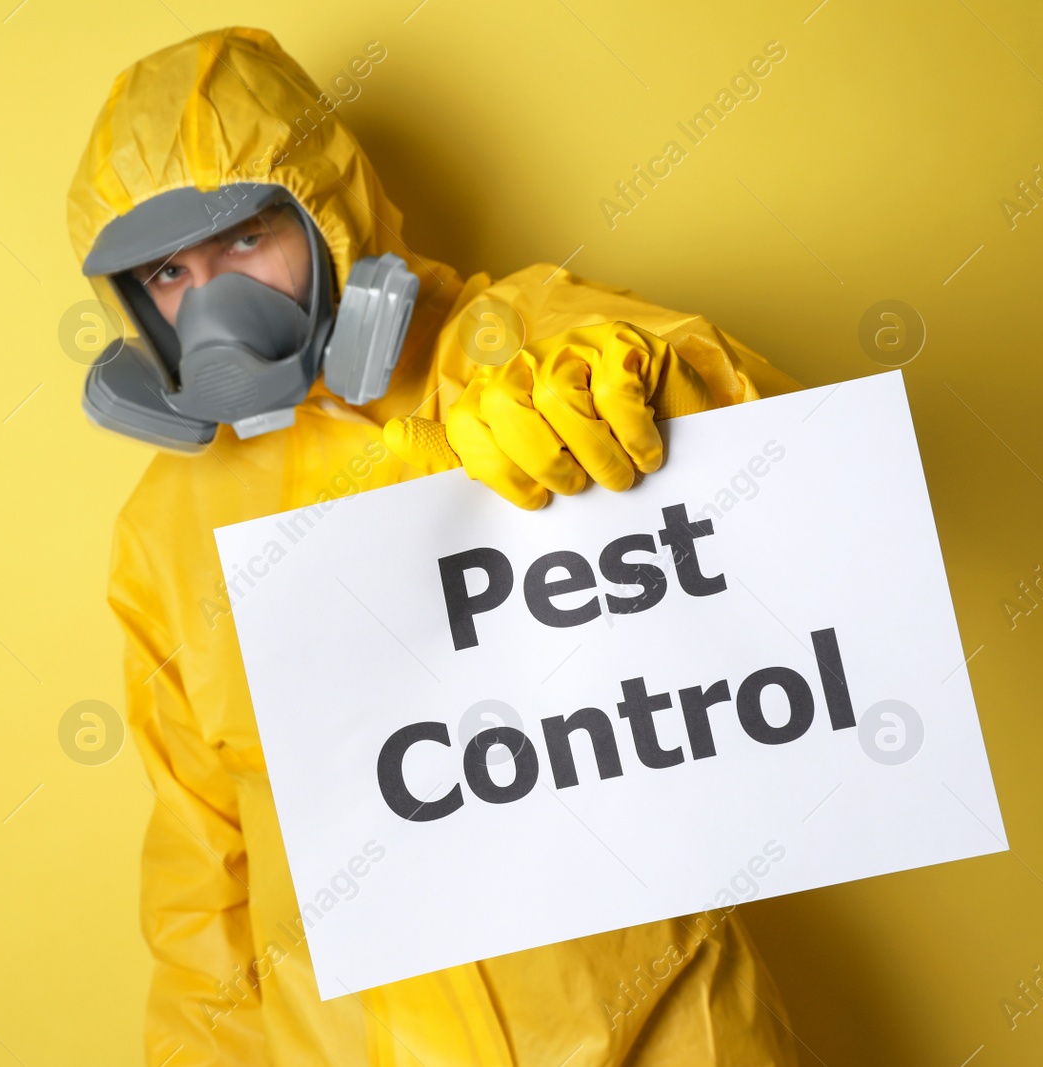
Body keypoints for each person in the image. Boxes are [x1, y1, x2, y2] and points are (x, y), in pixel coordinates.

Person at [68, 27, 802, 1066]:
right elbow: (206, 884)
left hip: (661, 1025)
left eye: (244, 241)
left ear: (325, 204)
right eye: (171, 274)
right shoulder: (165, 533)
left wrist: (622, 389)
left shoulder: (501, 339)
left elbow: (762, 427)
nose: (216, 301)